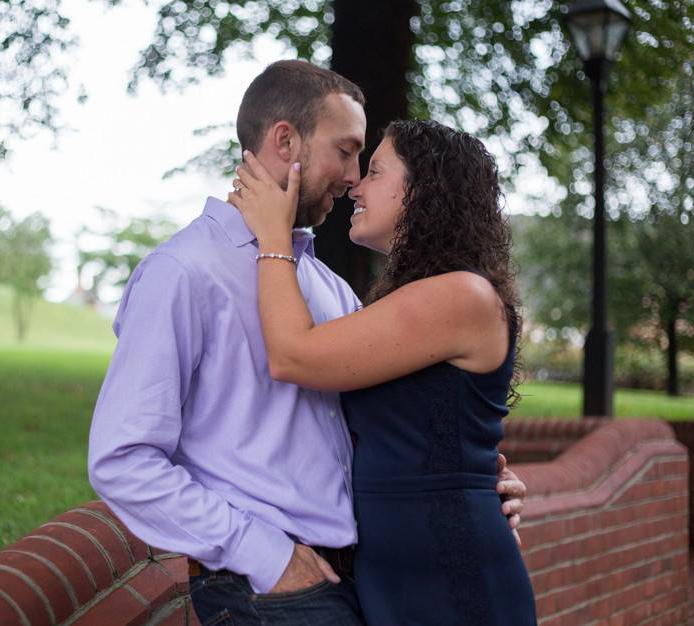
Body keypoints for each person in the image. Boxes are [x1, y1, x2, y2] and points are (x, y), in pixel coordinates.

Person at [88, 60, 527, 626]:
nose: (352, 178)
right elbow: (122, 459)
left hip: (357, 576)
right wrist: (265, 557)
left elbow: (383, 421)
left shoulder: (328, 288)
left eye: (367, 163)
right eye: (346, 152)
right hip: (272, 587)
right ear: (285, 140)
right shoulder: (183, 272)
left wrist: (477, 475)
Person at [227, 119, 538, 624]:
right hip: (398, 576)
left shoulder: (462, 293)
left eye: (374, 170)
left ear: (423, 192)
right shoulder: (417, 297)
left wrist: (273, 235)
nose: (356, 184)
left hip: (450, 578)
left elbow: (293, 356)